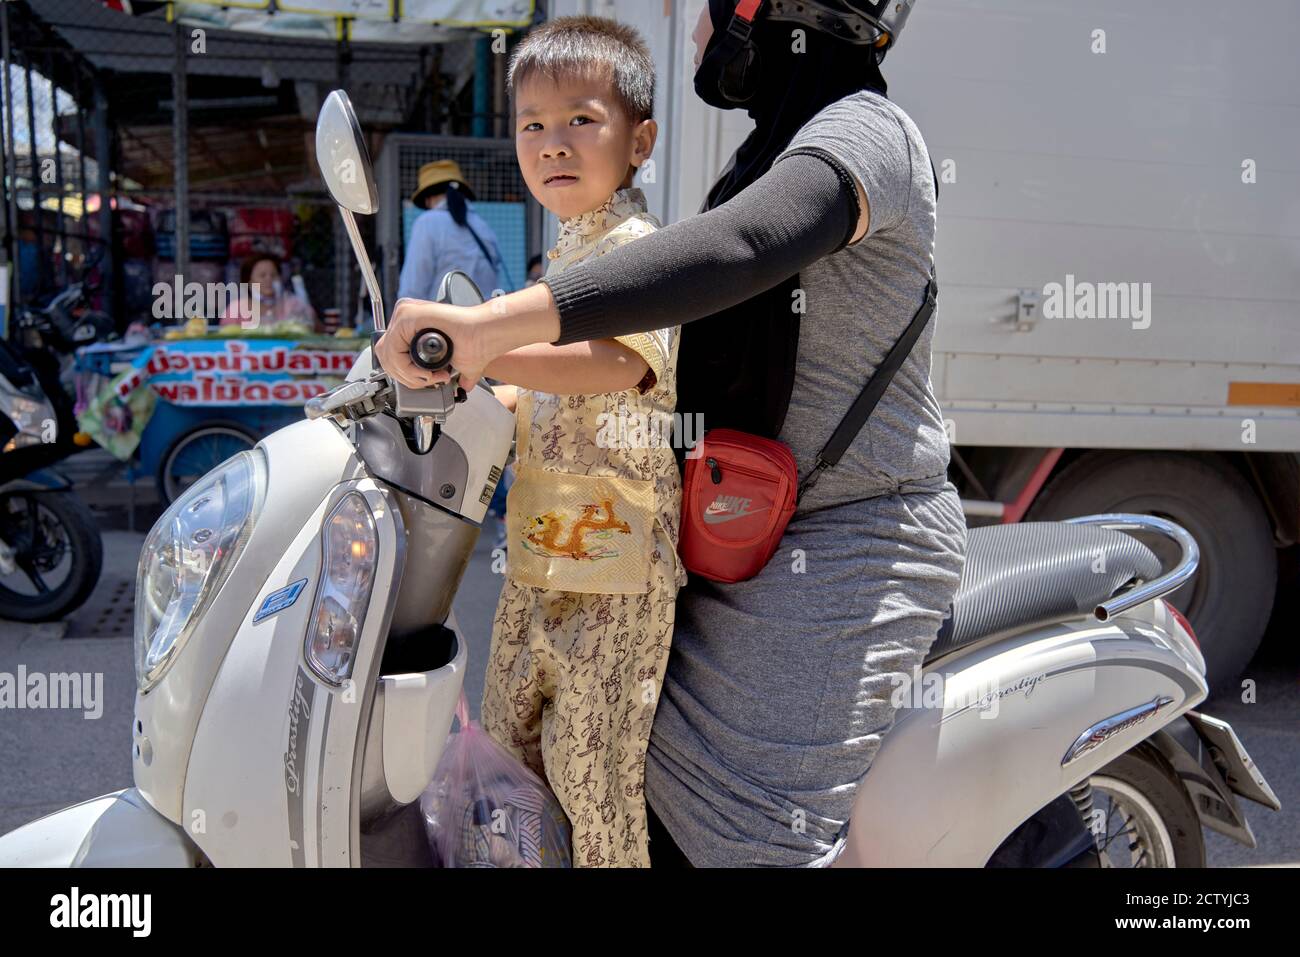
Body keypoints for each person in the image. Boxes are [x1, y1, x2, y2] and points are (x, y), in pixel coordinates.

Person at [377, 0, 967, 868]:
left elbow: (739, 247)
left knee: (745, 837)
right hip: (737, 535)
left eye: (709, 6)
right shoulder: (768, 150)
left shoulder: (866, 133)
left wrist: (492, 329)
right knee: (618, 774)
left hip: (848, 541)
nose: (695, 29)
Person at [470, 16, 686, 867]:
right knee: (510, 750)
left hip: (616, 571)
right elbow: (540, 384)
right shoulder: (556, 265)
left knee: (590, 776)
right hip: (542, 556)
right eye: (532, 125)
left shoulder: (643, 254)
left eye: (580, 120)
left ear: (641, 140)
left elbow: (616, 365)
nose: (552, 143)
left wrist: (480, 345)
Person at [398, 160, 505, 302]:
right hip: (486, 319)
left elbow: (412, 289)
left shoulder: (428, 222)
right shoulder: (482, 226)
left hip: (444, 321)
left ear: (429, 198)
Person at [219, 253, 316, 329]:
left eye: (274, 275)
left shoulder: (294, 304)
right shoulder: (236, 309)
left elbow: (314, 329)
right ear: (249, 281)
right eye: (262, 275)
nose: (269, 279)